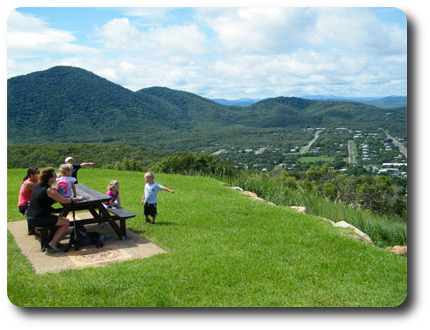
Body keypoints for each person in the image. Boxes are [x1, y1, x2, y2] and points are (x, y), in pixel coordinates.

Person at [26, 167, 83, 252]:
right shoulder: (49, 191)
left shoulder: (38, 185)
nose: (56, 177)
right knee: (66, 222)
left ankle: (51, 237)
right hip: (38, 218)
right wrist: (76, 199)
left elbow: (50, 196)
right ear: (50, 178)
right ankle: (52, 243)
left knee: (58, 218)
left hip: (30, 216)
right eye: (54, 175)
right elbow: (63, 200)